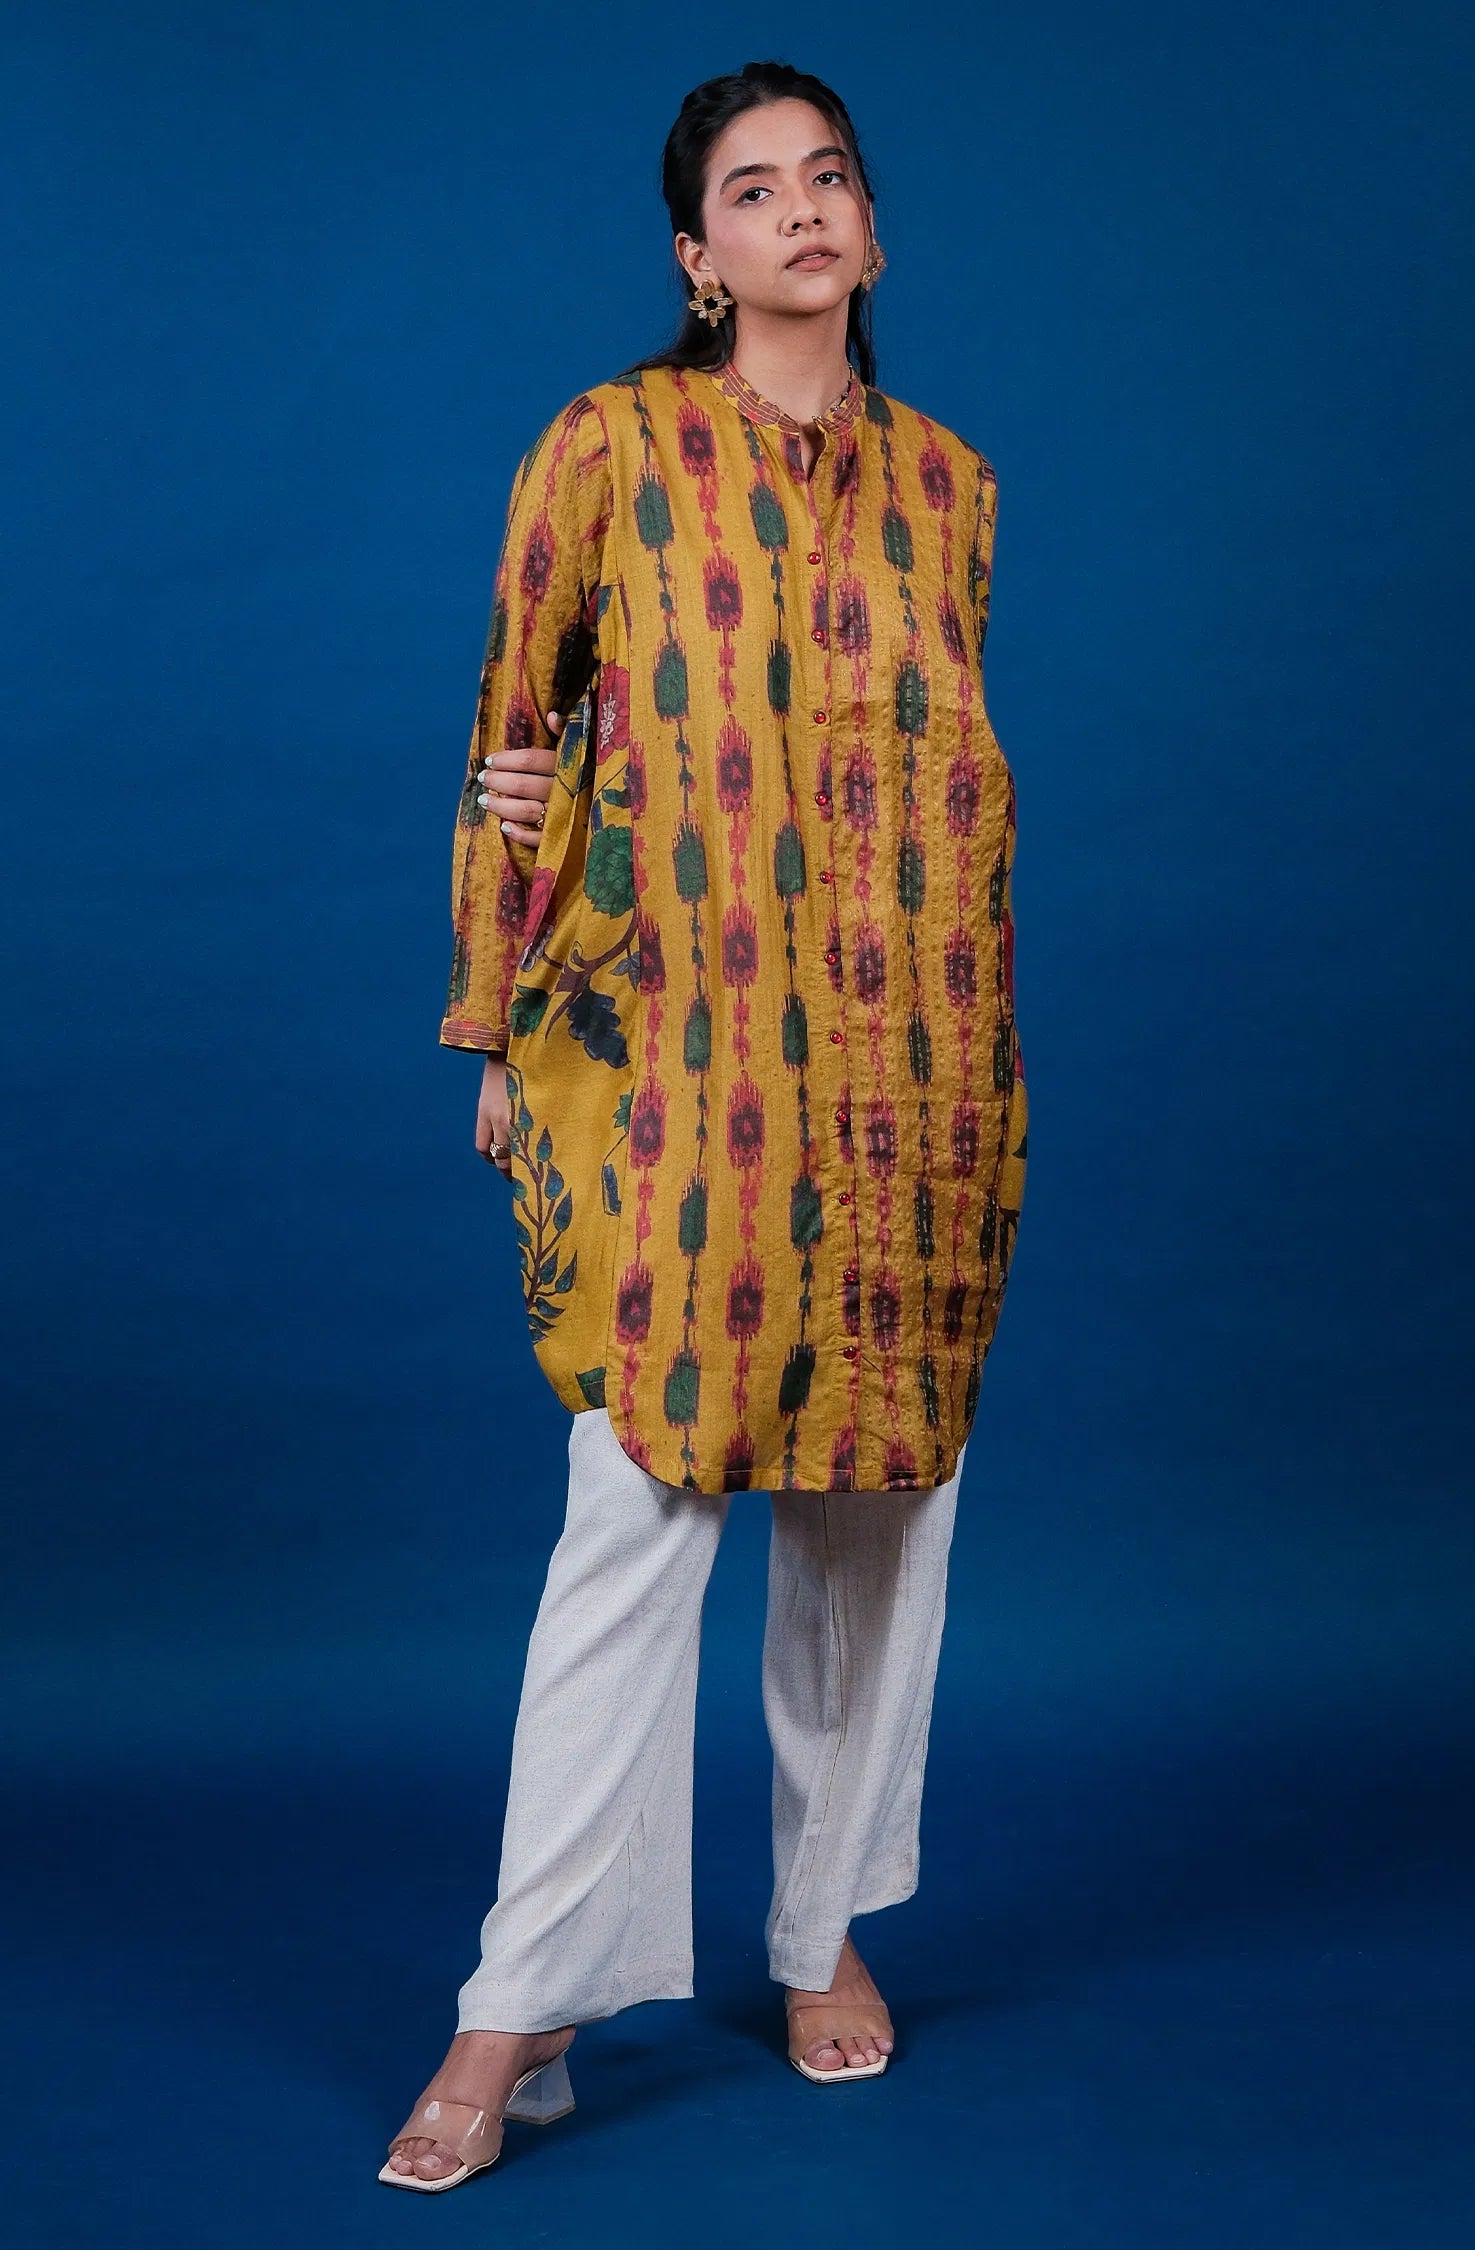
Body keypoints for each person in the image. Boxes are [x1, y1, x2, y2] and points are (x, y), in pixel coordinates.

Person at [380, 57, 1029, 2194]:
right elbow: (516, 732)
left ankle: (823, 1920)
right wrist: (501, 1021)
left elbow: (937, 764)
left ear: (871, 224)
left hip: (918, 1056)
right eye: (754, 192)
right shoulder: (609, 447)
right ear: (697, 256)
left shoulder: (953, 490)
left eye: (829, 176)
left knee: (880, 1506)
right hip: (684, 1058)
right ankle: (522, 2000)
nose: (802, 211)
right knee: (637, 1505)